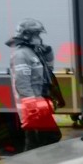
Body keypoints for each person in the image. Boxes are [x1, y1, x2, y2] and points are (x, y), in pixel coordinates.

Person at [8, 18, 63, 152]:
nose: (39, 38)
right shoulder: (21, 55)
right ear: (26, 35)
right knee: (43, 140)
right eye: (36, 34)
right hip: (32, 109)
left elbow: (48, 71)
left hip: (40, 106)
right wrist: (32, 108)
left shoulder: (34, 52)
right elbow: (22, 82)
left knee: (40, 141)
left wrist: (48, 54)